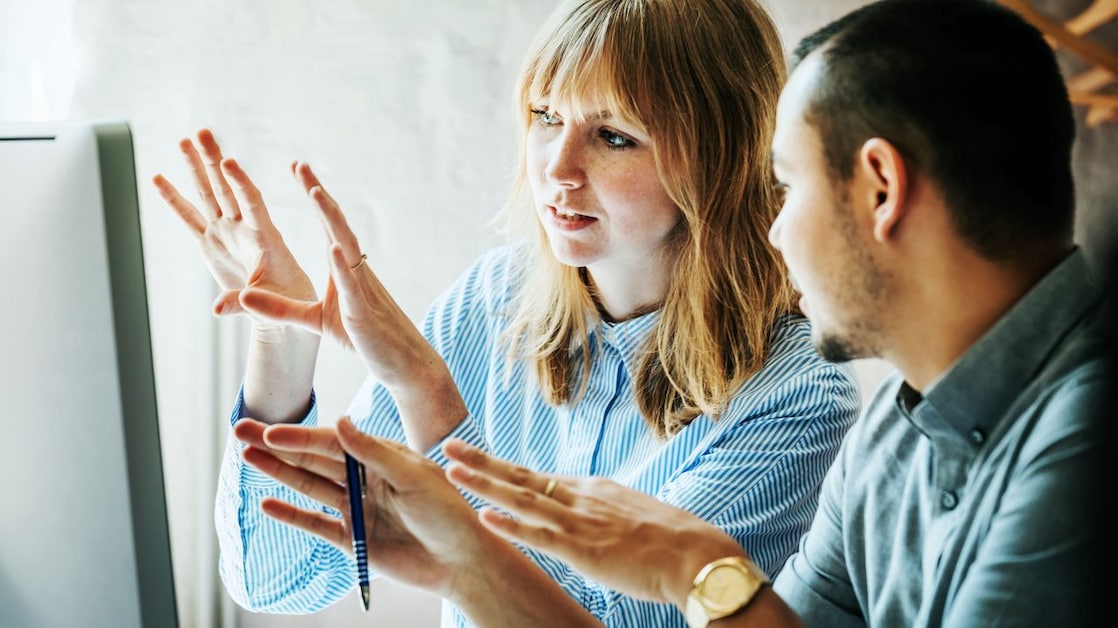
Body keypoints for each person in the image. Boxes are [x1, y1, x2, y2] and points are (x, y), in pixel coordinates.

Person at [151, 0, 860, 625]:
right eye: (546, 117)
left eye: (614, 135)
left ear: (719, 158)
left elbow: (602, 621)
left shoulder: (799, 393)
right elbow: (278, 577)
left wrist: (428, 397)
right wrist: (281, 340)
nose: (557, 167)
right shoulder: (494, 299)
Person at [430, 0, 1112, 625]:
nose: (775, 231)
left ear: (882, 189)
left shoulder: (1089, 439)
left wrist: (696, 570)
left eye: (788, 185)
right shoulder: (893, 431)